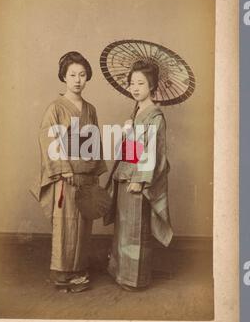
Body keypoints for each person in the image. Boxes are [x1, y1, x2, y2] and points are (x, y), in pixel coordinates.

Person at [30, 51, 107, 292]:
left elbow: (94, 141)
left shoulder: (90, 109)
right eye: (72, 74)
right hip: (66, 176)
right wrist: (63, 170)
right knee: (66, 224)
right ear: (63, 76)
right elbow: (47, 138)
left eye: (82, 74)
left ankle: (78, 271)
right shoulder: (56, 108)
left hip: (85, 175)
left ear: (87, 77)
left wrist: (95, 171)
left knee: (83, 224)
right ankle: (62, 274)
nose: (77, 79)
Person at [107, 59, 174, 291]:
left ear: (152, 86)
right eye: (132, 83)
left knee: (136, 229)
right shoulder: (137, 113)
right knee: (125, 228)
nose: (135, 88)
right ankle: (121, 273)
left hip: (138, 180)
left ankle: (135, 279)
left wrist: (139, 180)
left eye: (141, 83)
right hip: (126, 174)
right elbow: (132, 153)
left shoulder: (154, 116)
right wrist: (128, 133)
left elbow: (153, 151)